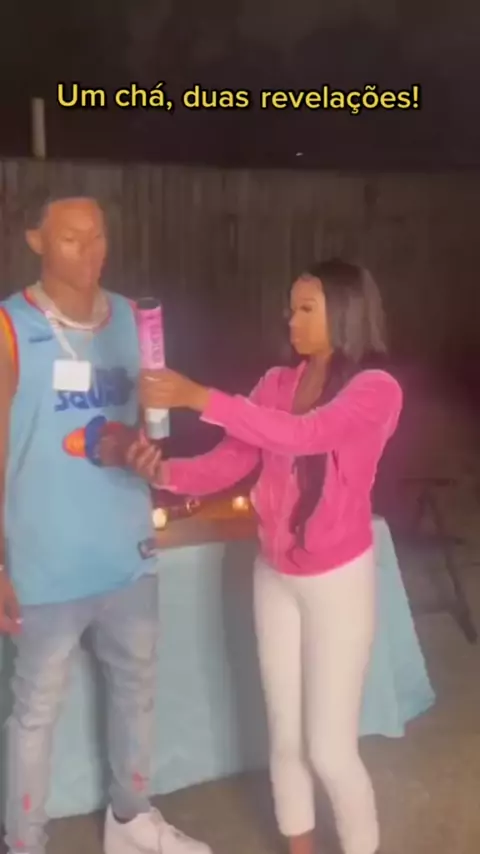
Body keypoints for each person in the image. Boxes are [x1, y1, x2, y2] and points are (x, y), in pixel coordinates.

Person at [126, 260, 403, 854]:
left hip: (338, 581)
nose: (291, 319)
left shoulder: (376, 390)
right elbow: (231, 461)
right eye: (291, 307)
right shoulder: (277, 383)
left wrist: (198, 396)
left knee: (330, 750)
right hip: (275, 575)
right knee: (285, 739)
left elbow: (306, 435)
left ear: (346, 312)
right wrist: (163, 474)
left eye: (306, 308)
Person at [0, 193, 212, 854]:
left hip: (126, 551)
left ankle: (131, 820)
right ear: (36, 240)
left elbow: (146, 425)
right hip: (44, 562)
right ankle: (23, 842)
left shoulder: (133, 320)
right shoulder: (9, 328)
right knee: (35, 713)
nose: (90, 251)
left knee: (136, 693)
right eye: (71, 238)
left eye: (98, 236)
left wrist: (146, 451)